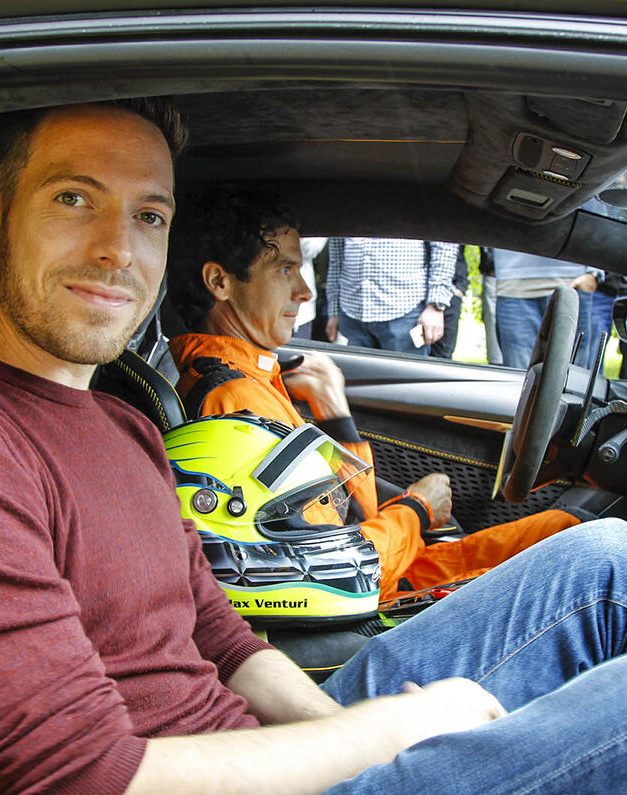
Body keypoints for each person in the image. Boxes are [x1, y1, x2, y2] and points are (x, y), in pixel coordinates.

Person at [0, 99, 627, 795]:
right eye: (74, 200)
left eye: (147, 215)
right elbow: (85, 776)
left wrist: (332, 722)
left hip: (261, 745)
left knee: (604, 566)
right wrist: (388, 733)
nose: (117, 248)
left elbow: (224, 640)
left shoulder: (113, 417)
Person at [165, 186, 584, 602]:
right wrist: (417, 509)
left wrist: (335, 413)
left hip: (391, 564)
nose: (305, 292)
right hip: (379, 601)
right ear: (220, 281)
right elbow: (333, 569)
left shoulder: (252, 378)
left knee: (570, 530)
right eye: (284, 271)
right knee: (584, 555)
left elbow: (346, 509)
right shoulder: (234, 404)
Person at [324, 237, 459, 354]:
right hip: (351, 314)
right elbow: (336, 257)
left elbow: (444, 247)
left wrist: (435, 306)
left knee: (405, 381)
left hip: (405, 313)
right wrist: (334, 312)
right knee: (356, 381)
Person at [491, 248, 601, 370]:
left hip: (573, 282)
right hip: (513, 283)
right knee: (520, 379)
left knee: (574, 380)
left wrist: (594, 273)